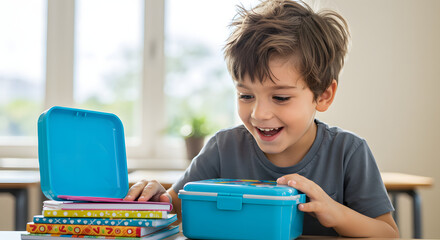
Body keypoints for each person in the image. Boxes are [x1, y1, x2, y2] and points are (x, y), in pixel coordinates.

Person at [124, 0, 399, 237]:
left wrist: (335, 213)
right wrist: (156, 198)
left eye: (280, 98)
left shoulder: (348, 152)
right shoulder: (223, 148)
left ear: (324, 95)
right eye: (245, 95)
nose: (259, 114)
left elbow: (387, 233)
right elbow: (175, 208)